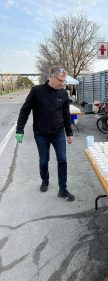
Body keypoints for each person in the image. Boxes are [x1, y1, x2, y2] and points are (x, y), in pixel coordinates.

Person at [15, 66, 75, 201]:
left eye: (63, 80)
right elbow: (25, 110)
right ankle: (45, 180)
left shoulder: (63, 94)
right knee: (44, 160)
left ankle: (63, 189)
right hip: (41, 134)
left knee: (62, 160)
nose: (62, 83)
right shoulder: (37, 91)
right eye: (60, 80)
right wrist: (20, 129)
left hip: (58, 133)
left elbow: (66, 115)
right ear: (51, 78)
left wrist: (69, 133)